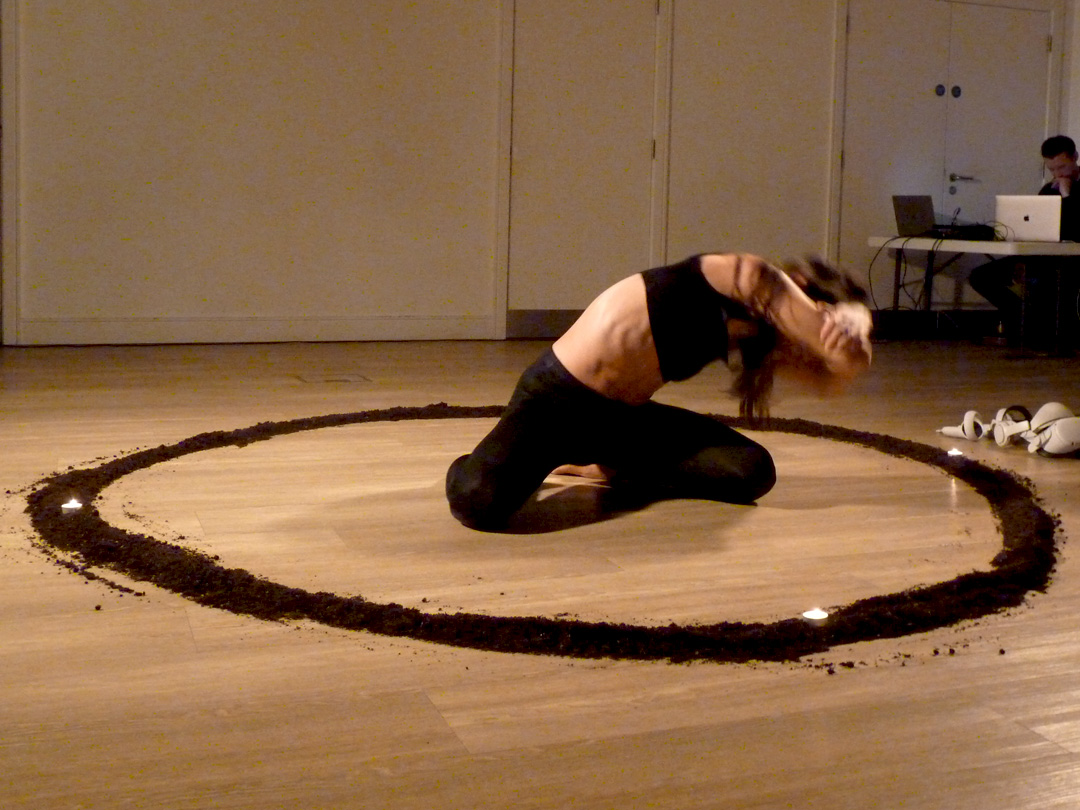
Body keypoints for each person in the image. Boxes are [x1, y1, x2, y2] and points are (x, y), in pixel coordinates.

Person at [445, 253, 873, 531]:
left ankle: (597, 465)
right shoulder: (747, 275)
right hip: (557, 402)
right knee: (477, 500)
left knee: (752, 471)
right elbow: (834, 344)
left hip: (624, 422)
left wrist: (858, 330)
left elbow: (833, 379)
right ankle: (499, 454)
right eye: (818, 310)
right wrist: (852, 318)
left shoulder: (763, 333)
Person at [968, 135, 1080, 347]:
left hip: (1072, 258)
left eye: (1062, 167)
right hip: (1042, 254)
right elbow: (1035, 225)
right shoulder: (1048, 190)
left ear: (1075, 157)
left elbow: (1076, 226)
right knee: (981, 276)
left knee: (1054, 277)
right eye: (1052, 169)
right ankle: (1028, 323)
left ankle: (1041, 329)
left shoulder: (1068, 188)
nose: (1058, 174)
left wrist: (1067, 195)